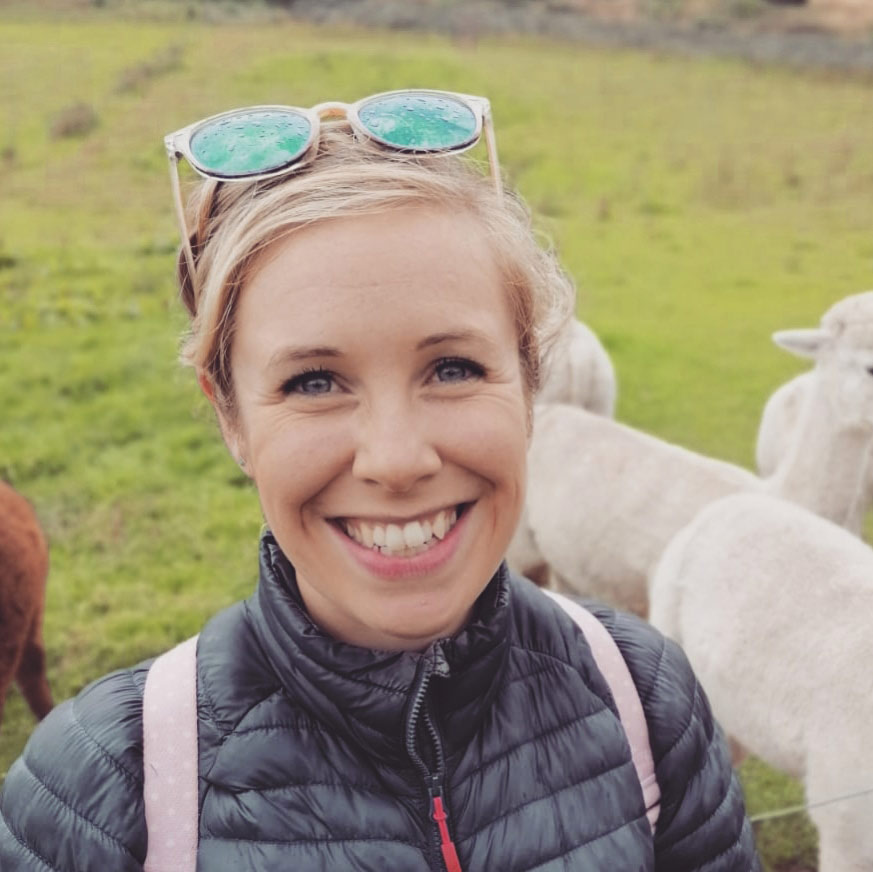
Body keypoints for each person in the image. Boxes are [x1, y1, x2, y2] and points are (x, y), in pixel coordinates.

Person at [0, 90, 760, 870]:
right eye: (313, 382)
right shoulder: (98, 796)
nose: (396, 461)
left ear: (529, 380)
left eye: (453, 369)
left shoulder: (645, 698)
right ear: (230, 417)